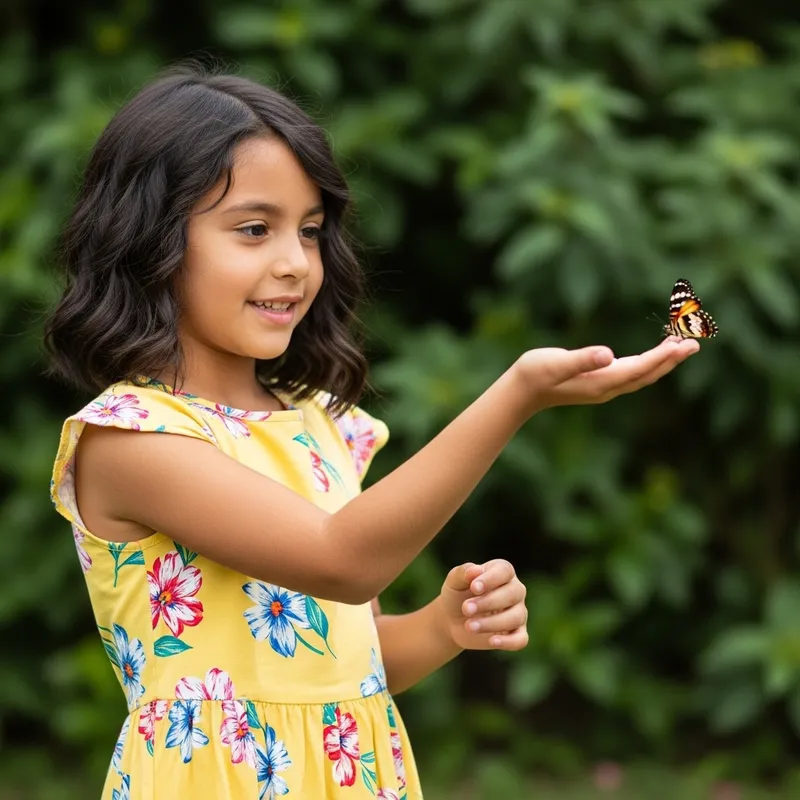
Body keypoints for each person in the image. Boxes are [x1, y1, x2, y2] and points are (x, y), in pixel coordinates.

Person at [44, 63, 699, 800]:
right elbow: (342, 561)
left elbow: (347, 659)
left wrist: (446, 625)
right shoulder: (132, 440)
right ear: (148, 240)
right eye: (254, 229)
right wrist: (515, 398)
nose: (295, 263)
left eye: (312, 232)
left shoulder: (321, 425)